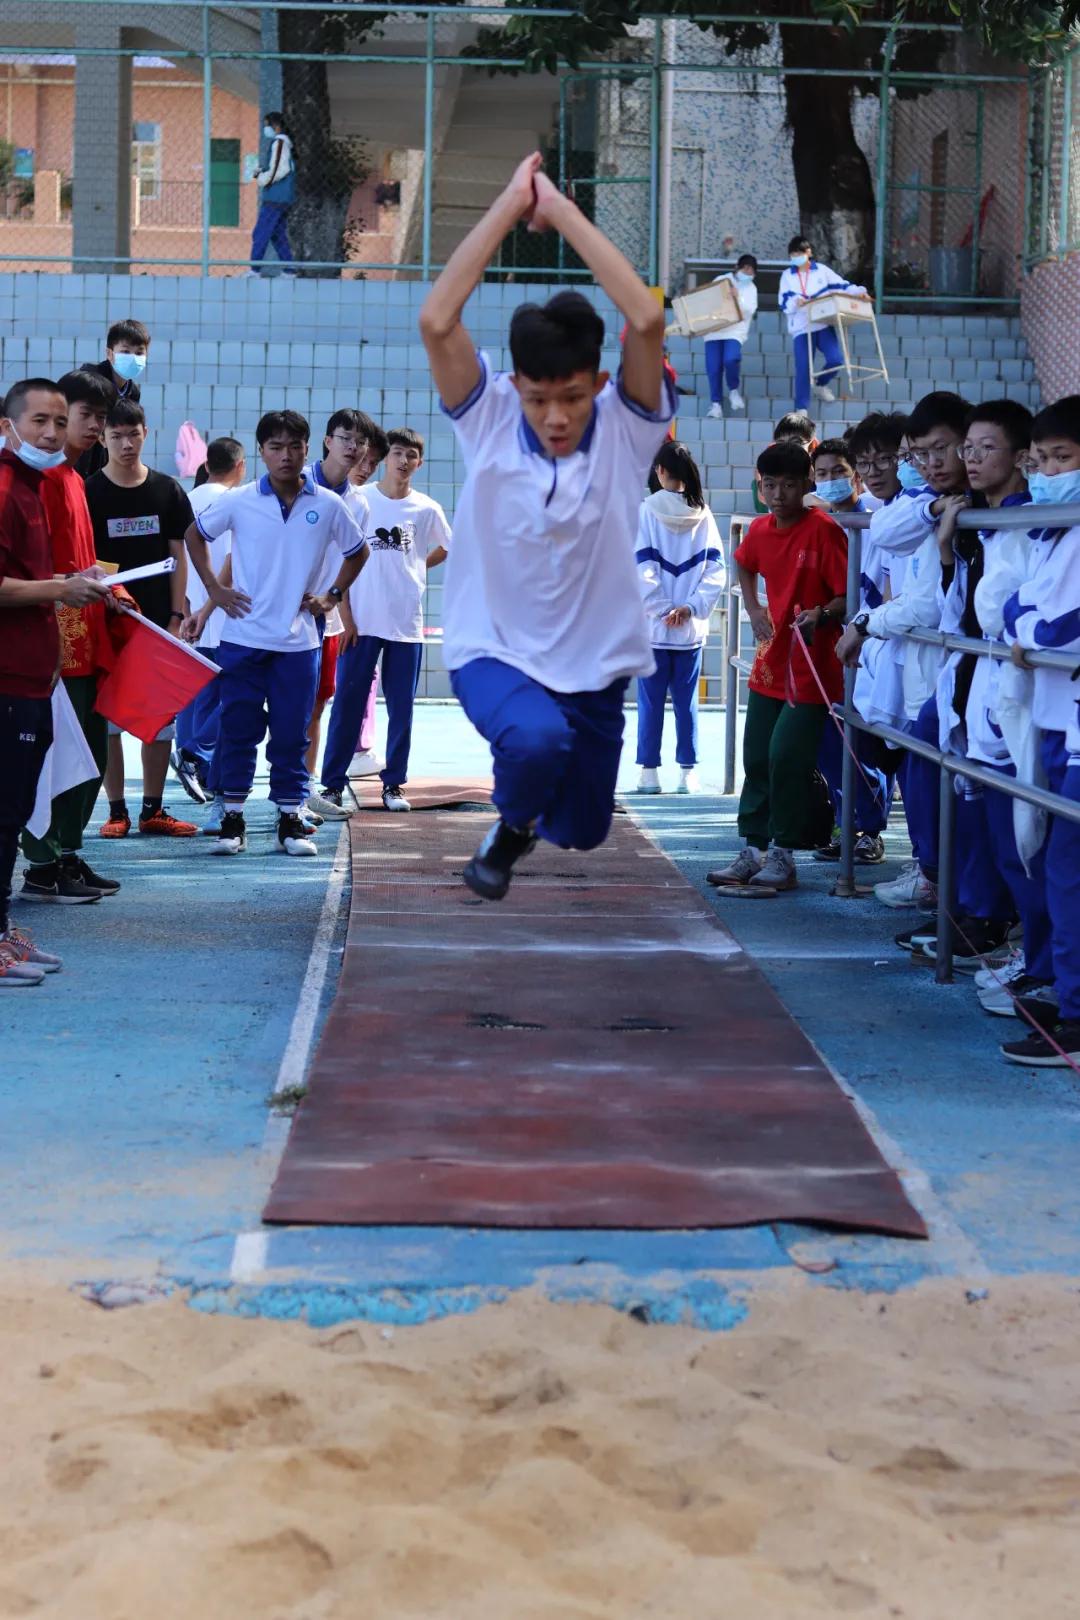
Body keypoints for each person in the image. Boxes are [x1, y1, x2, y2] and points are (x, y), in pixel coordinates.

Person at [419, 151, 674, 901]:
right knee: (535, 740)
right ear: (514, 388)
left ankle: (527, 823)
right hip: (493, 648)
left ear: (598, 383)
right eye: (537, 399)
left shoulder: (629, 430)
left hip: (594, 664)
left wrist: (558, 210)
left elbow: (648, 317)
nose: (554, 417)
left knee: (586, 829)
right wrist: (509, 200)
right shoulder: (489, 417)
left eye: (570, 397)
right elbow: (438, 319)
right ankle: (506, 828)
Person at [183, 409, 369, 858]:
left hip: (298, 644)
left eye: (294, 446)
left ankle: (290, 817)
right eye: (275, 447)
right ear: (261, 452)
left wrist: (332, 595)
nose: (285, 455)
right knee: (239, 729)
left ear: (309, 449)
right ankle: (232, 816)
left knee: (291, 733)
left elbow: (358, 551)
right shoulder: (240, 500)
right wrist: (214, 590)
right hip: (243, 639)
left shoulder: (328, 504)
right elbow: (193, 535)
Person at [836, 392, 972, 912]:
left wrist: (866, 622)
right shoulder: (918, 506)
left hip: (950, 663)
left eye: (940, 450)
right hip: (915, 660)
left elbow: (931, 605)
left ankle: (957, 902)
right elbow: (889, 531)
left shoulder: (977, 512)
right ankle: (938, 881)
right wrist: (931, 506)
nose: (928, 465)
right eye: (919, 455)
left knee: (954, 786)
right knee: (910, 765)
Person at [0, 377, 112, 984]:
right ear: (6, 425)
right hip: (9, 677)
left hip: (32, 675)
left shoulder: (39, 484)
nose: (50, 432)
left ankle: (2, 930)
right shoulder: (3, 489)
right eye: (38, 420)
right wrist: (60, 588)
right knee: (3, 812)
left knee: (13, 808)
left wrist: (80, 580)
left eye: (57, 420)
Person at [707, 441, 847, 894]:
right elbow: (744, 564)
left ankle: (784, 854)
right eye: (771, 485)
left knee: (787, 755)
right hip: (771, 662)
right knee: (756, 755)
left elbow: (849, 595)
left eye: (790, 484)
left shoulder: (824, 531)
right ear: (759, 486)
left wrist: (823, 614)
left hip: (813, 664)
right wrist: (751, 607)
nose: (780, 494)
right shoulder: (762, 530)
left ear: (807, 484)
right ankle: (752, 848)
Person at [20, 368, 126, 903]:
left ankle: (65, 850)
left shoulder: (73, 480)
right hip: (49, 638)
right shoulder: (33, 481)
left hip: (85, 632)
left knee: (89, 756)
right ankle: (42, 862)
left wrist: (105, 582)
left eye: (94, 419)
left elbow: (76, 560)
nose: (85, 428)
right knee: (47, 758)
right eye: (76, 417)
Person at [313, 426, 451, 817]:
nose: (403, 461)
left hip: (406, 623)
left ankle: (394, 783)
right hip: (362, 622)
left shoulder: (427, 508)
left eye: (411, 455)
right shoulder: (362, 501)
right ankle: (334, 784)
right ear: (383, 458)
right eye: (396, 454)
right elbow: (344, 556)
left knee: (402, 708)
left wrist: (416, 565)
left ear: (419, 462)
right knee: (348, 706)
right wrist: (347, 616)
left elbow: (447, 545)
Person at [1001, 395, 1080, 1066]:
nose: (1049, 471)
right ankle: (1065, 987)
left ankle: (1076, 1010)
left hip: (1073, 723)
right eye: (1042, 459)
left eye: (1063, 458)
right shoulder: (1055, 529)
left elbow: (1051, 627)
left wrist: (1026, 632)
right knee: (1055, 862)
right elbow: (1012, 609)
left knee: (1068, 868)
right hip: (1055, 721)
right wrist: (1026, 631)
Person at [85, 399, 198, 840]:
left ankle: (153, 809)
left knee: (160, 715)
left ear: (146, 434)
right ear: (103, 438)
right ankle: (116, 810)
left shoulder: (167, 490)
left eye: (134, 434)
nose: (126, 444)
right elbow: (85, 559)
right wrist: (107, 597)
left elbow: (178, 554)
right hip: (108, 620)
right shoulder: (89, 491)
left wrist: (175, 615)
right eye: (117, 436)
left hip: (156, 623)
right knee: (110, 718)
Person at [806, 435, 892, 864]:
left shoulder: (877, 519)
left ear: (855, 474)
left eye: (838, 472)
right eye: (821, 474)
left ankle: (871, 830)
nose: (831, 481)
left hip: (872, 645)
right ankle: (846, 823)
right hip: (828, 647)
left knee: (867, 741)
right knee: (832, 739)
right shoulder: (816, 524)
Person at [634, 442, 725, 795]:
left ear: (659, 472)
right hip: (690, 629)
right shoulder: (703, 513)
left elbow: (642, 566)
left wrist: (660, 609)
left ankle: (648, 773)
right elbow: (716, 569)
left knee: (650, 701)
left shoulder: (645, 511)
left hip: (654, 628)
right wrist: (689, 607)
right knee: (686, 703)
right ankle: (688, 772)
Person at [302, 410, 377, 814]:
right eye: (346, 439)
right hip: (277, 614)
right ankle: (228, 801)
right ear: (327, 441)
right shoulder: (296, 485)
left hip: (321, 617)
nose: (353, 448)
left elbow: (352, 558)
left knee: (315, 705)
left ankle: (302, 792)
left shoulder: (359, 503)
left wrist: (334, 601)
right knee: (248, 707)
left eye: (360, 443)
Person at [172, 437, 248, 812]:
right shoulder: (238, 502)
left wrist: (185, 609)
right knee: (237, 696)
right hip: (226, 612)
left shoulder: (185, 500)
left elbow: (176, 557)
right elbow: (236, 558)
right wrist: (213, 601)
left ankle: (193, 761)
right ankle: (195, 756)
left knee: (194, 697)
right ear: (241, 465)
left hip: (189, 613)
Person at [779, 236, 869, 413]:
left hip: (822, 322)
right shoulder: (787, 276)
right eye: (793, 253)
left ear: (809, 252)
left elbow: (842, 286)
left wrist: (859, 292)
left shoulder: (821, 270)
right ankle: (801, 407)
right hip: (801, 326)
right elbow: (783, 300)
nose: (797, 256)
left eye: (800, 252)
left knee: (835, 359)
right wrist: (795, 302)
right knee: (804, 366)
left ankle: (820, 384)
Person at [346, 417, 390, 778]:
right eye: (362, 458)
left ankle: (359, 748)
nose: (365, 467)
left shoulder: (363, 502)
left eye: (372, 463)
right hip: (334, 615)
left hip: (351, 614)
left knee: (361, 683)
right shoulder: (315, 493)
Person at [76, 319, 151, 480]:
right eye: (125, 352)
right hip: (79, 462)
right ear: (110, 354)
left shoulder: (133, 392)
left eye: (139, 353)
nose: (133, 358)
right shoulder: (90, 380)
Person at [704, 253, 758, 419]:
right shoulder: (722, 279)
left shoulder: (751, 288)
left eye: (751, 270)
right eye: (745, 268)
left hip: (735, 331)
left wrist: (738, 297)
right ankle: (716, 405)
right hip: (714, 331)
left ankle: (733, 390)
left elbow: (749, 310)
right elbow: (709, 299)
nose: (747, 272)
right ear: (737, 267)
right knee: (713, 368)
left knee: (731, 359)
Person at [251, 112, 296, 277]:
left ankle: (254, 269)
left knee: (260, 232)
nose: (265, 129)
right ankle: (289, 270)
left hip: (275, 196)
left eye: (267, 125)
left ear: (276, 126)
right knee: (277, 234)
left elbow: (279, 169)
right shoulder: (285, 144)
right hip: (282, 197)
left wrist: (262, 179)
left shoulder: (279, 143)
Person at [750, 411, 816, 515]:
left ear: (811, 445)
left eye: (796, 442)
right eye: (781, 443)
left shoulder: (821, 468)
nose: (787, 448)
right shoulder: (768, 464)